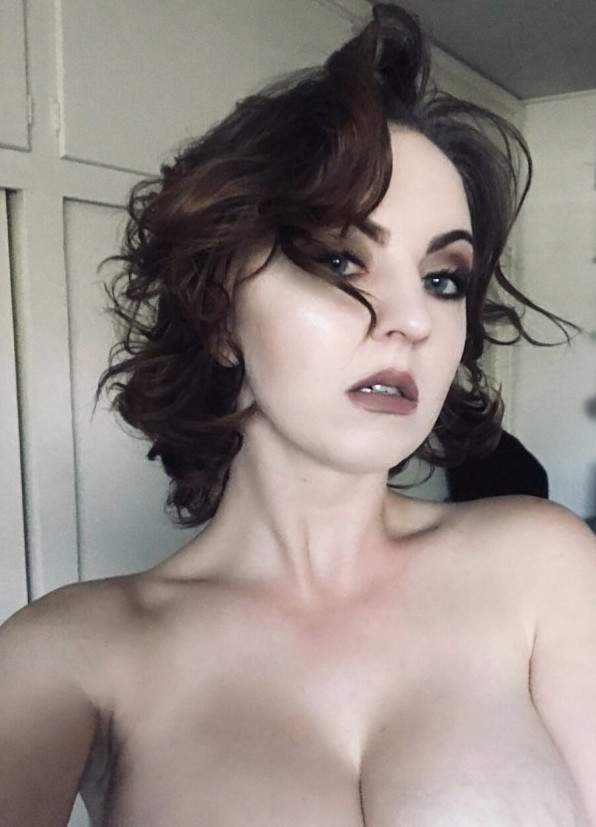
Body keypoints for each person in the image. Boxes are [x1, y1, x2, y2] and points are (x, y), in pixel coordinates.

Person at [1, 4, 595, 826]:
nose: (412, 321)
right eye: (342, 258)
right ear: (219, 313)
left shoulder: (546, 566)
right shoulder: (70, 652)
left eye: (442, 279)